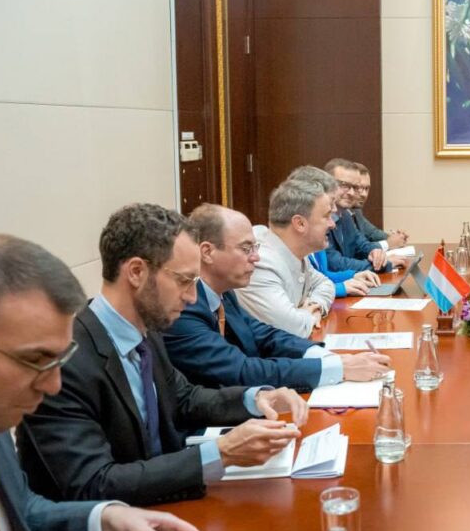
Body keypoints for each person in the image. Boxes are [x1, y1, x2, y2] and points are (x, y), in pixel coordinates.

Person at [17, 205, 307, 507]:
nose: (192, 297)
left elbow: (182, 398)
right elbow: (94, 484)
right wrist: (221, 453)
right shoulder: (65, 362)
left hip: (163, 505)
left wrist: (255, 399)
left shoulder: (147, 328)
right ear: (136, 272)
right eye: (184, 281)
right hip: (111, 527)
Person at [0, 233, 210, 531]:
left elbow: (21, 513)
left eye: (59, 359)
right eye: (35, 359)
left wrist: (107, 520)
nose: (53, 384)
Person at [163, 204, 391, 390]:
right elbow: (241, 370)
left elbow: (263, 335)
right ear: (207, 252)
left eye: (255, 247)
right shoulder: (184, 307)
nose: (256, 258)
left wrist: (327, 356)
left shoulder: (222, 292)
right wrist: (339, 369)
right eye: (246, 249)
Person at [236, 178, 340, 337]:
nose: (332, 224)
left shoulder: (294, 251)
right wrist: (306, 316)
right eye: (326, 216)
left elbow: (325, 284)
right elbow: (292, 328)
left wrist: (315, 305)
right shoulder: (260, 262)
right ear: (300, 224)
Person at [286, 165, 379, 298]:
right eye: (329, 208)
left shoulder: (314, 238)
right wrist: (341, 288)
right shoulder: (291, 245)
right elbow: (302, 295)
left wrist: (353, 275)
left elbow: (321, 278)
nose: (333, 222)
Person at [323, 158, 407, 273]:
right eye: (344, 185)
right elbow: (335, 264)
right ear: (327, 184)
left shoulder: (345, 215)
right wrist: (383, 264)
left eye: (355, 187)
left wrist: (377, 253)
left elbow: (362, 246)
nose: (352, 193)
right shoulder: (319, 219)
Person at [352, 162, 407, 249]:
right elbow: (359, 248)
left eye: (366, 188)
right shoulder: (339, 214)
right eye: (359, 188)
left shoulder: (356, 211)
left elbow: (373, 233)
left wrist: (396, 237)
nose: (364, 194)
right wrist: (388, 243)